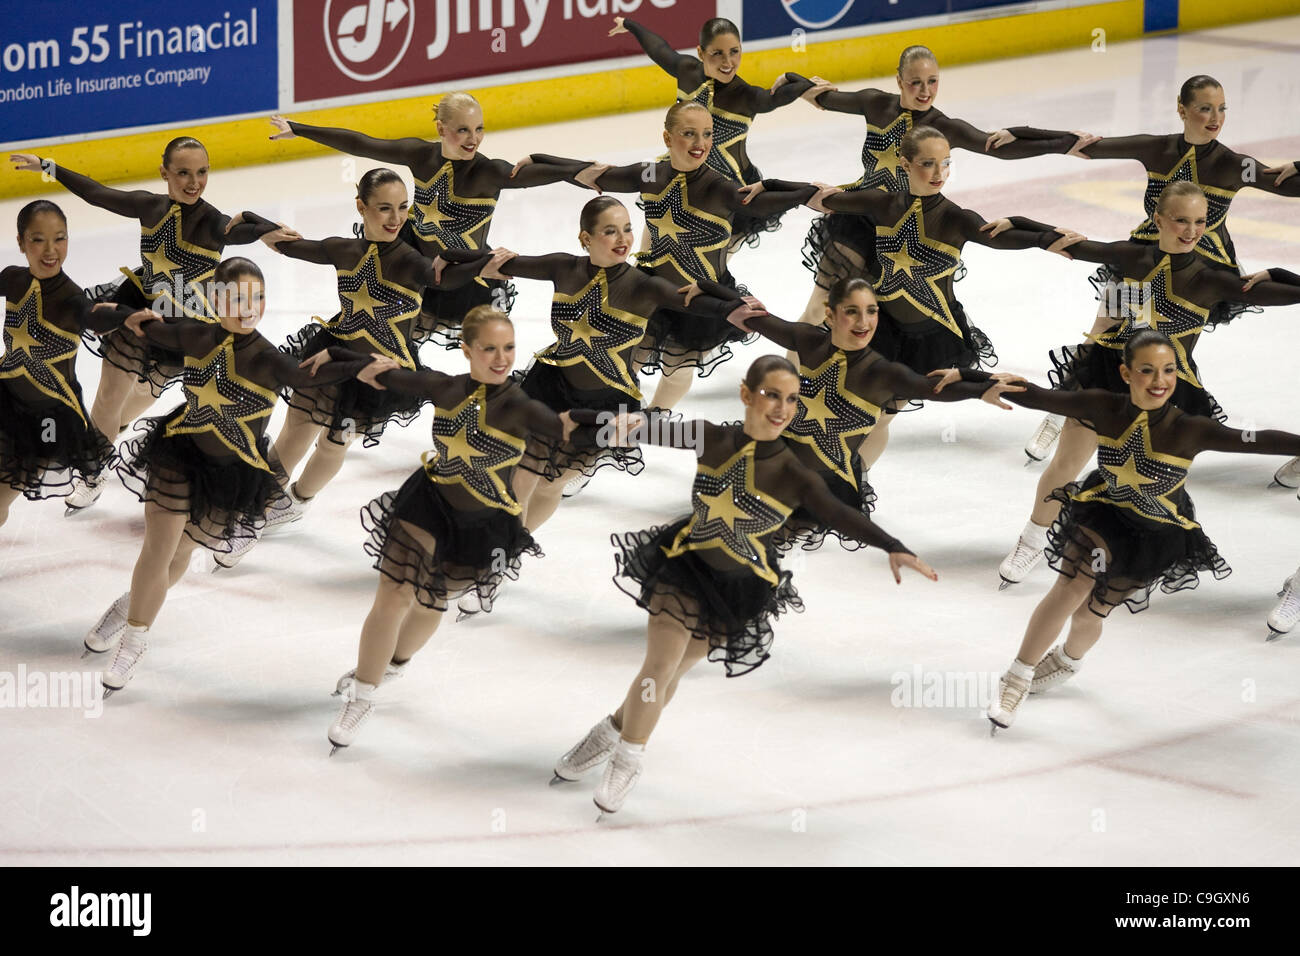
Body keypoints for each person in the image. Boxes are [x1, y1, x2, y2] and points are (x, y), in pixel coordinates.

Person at [552, 355, 965, 815]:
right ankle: (629, 757)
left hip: (741, 586)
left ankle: (611, 730)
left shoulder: (795, 475)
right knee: (659, 665)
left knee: (670, 674)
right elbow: (642, 427)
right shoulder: (710, 437)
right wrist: (579, 418)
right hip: (685, 566)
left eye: (791, 399)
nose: (782, 408)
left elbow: (840, 514)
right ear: (746, 394)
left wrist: (891, 544)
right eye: (771, 395)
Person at [81, 258, 389, 697]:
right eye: (238, 298)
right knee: (159, 547)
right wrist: (119, 314)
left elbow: (309, 374)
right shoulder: (195, 334)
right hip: (179, 454)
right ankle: (134, 638)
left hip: (233, 474)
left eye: (258, 298)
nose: (249, 308)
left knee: (181, 553)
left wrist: (351, 361)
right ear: (214, 298)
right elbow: (144, 328)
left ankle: (131, 605)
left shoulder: (268, 359)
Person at [982, 331, 1300, 731]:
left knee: (1088, 616)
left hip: (1155, 534)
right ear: (1126, 373)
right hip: (1104, 515)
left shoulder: (1191, 429)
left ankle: (1068, 661)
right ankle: (1017, 678)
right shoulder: (1103, 406)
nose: (1159, 381)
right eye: (1147, 370)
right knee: (1069, 588)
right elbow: (1040, 396)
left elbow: (1252, 440)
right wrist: (971, 380)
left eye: (1168, 370)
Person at [998, 182, 1300, 588]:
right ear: (1158, 220)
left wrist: (1276, 273)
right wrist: (1020, 223)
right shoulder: (1129, 257)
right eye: (1180, 220)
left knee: (1154, 479)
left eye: (1199, 222)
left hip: (1167, 388)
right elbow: (1070, 245)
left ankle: (1133, 551)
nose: (1191, 230)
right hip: (1110, 374)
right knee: (1067, 464)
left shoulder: (1214, 279)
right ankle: (1032, 539)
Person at [326, 306, 598, 753]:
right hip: (427, 503)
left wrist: (627, 425)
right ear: (466, 349)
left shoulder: (522, 407)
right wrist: (334, 355)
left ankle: (389, 665)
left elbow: (563, 428)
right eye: (489, 348)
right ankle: (363, 695)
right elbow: (387, 375)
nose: (500, 357)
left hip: (482, 523)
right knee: (394, 594)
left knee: (431, 603)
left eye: (508, 347)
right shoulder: (445, 387)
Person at [437, 195, 759, 533]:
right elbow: (502, 262)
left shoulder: (645, 287)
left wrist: (736, 306)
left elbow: (698, 304)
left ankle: (515, 542)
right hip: (548, 387)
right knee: (518, 474)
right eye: (610, 231)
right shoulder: (563, 267)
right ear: (585, 238)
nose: (623, 240)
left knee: (551, 483)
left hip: (606, 405)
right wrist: (449, 255)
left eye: (627, 230)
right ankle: (495, 546)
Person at [1023, 74, 1300, 461]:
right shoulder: (1157, 149)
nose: (1214, 117)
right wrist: (1007, 135)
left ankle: (1153, 433)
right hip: (1140, 260)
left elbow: (1287, 183)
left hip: (1200, 272)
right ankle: (1061, 412)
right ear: (1182, 110)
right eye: (1204, 108)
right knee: (1103, 334)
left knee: (1176, 352)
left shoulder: (1236, 166)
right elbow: (1087, 147)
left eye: (1221, 108)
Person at [8, 140, 280, 511]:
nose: (193, 182)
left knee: (140, 399)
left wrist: (262, 226)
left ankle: (101, 441)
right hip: (138, 305)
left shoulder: (217, 224)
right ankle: (94, 471)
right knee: (110, 392)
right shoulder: (150, 207)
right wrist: (47, 166)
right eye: (183, 172)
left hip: (183, 325)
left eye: (201, 172)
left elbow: (256, 229)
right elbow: (96, 194)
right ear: (164, 172)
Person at [234, 170, 483, 557]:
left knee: (334, 442)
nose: (395, 218)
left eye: (402, 207)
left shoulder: (413, 263)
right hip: (334, 353)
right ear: (361, 207)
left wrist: (495, 262)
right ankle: (255, 506)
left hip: (380, 372)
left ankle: (295, 503)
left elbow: (452, 276)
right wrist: (253, 222)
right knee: (295, 431)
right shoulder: (343, 251)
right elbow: (291, 246)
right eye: (384, 208)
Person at [807, 125, 1079, 472]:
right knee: (860, 412)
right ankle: (843, 485)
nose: (939, 173)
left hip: (930, 338)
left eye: (946, 163)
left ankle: (850, 486)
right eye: (928, 164)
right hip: (884, 330)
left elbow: (999, 235)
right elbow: (820, 196)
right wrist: (772, 190)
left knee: (877, 417)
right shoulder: (881, 204)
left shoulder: (955, 218)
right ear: (904, 165)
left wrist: (1048, 237)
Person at [795, 44, 1091, 329]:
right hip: (859, 219)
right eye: (915, 82)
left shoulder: (945, 127)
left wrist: (1064, 143)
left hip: (910, 234)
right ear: (899, 80)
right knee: (820, 307)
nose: (925, 91)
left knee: (881, 321)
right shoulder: (875, 103)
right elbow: (821, 98)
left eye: (932, 81)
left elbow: (999, 147)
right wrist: (792, 82)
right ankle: (787, 378)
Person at [554, 101, 829, 408]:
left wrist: (807, 194)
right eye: (689, 133)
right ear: (667, 138)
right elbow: (597, 174)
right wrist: (540, 163)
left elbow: (765, 202)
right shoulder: (650, 174)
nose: (701, 144)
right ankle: (607, 417)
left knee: (677, 368)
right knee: (623, 356)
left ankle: (654, 417)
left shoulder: (718, 186)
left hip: (699, 298)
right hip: (652, 289)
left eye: (707, 134)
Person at [267, 93, 594, 348]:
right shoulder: (421, 156)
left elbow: (550, 175)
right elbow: (362, 143)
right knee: (387, 343)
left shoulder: (489, 172)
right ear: (441, 129)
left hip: (464, 280)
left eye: (479, 128)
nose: (473, 138)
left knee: (482, 354)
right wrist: (299, 129)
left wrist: (577, 167)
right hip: (412, 265)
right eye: (463, 129)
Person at [726, 277, 1021, 541]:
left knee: (774, 549)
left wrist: (981, 385)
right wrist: (715, 293)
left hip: (824, 485)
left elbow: (934, 388)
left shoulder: (883, 373)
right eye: (851, 311)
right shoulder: (808, 340)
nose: (863, 322)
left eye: (871, 311)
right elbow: (752, 317)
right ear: (829, 314)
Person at [610, 15, 819, 252]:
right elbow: (658, 48)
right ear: (700, 52)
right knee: (647, 257)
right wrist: (630, 24)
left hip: (730, 189)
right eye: (717, 53)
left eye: (734, 51)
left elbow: (779, 95)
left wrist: (797, 82)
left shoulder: (746, 96)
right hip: (679, 175)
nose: (728, 61)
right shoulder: (687, 71)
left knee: (709, 276)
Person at [0, 201, 136, 527]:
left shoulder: (72, 299)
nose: (51, 250)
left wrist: (128, 315)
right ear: (20, 242)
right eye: (38, 239)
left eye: (60, 238)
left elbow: (95, 316)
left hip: (47, 419)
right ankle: (93, 467)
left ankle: (92, 469)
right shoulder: (13, 279)